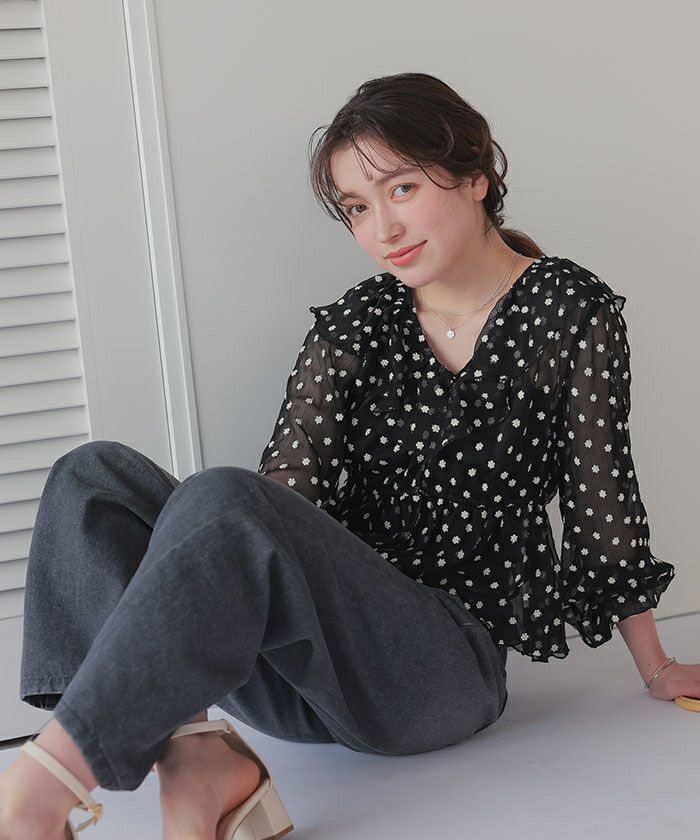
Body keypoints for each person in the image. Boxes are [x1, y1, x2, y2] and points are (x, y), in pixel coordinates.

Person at [0, 71, 693, 840]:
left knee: (224, 494)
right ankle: (198, 759)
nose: (382, 229)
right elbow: (276, 504)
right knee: (92, 477)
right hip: (306, 681)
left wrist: (656, 665)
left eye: (401, 189)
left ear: (476, 175)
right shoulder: (359, 323)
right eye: (359, 208)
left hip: (437, 679)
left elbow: (602, 500)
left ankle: (42, 785)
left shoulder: (567, 311)